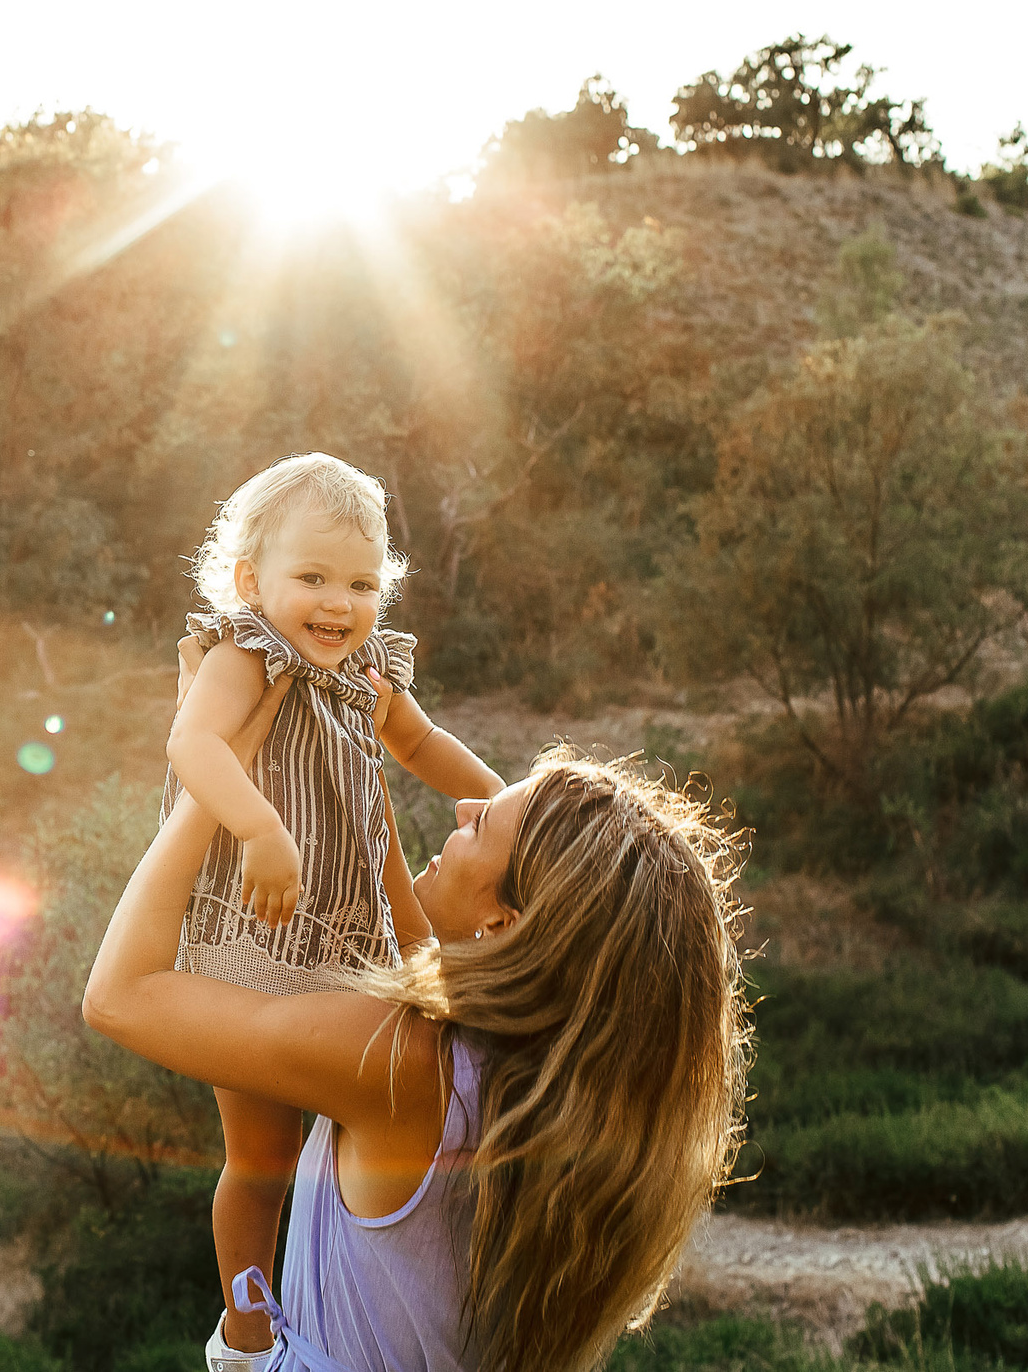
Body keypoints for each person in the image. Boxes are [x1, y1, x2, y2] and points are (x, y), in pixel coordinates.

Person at [86, 745, 750, 1372]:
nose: (461, 808)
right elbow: (415, 939)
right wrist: (352, 759)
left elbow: (120, 997)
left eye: (481, 822)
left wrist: (212, 783)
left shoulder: (403, 1062)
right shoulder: (547, 1091)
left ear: (503, 925)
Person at [162, 453, 506, 1360]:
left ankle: (360, 1300)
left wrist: (519, 806)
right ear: (250, 581)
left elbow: (427, 746)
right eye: (311, 577)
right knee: (262, 1155)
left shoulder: (367, 675)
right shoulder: (244, 655)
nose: (337, 603)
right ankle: (245, 1325)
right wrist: (261, 827)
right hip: (254, 941)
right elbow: (193, 743)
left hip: (354, 942)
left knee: (366, 1132)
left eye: (360, 582)